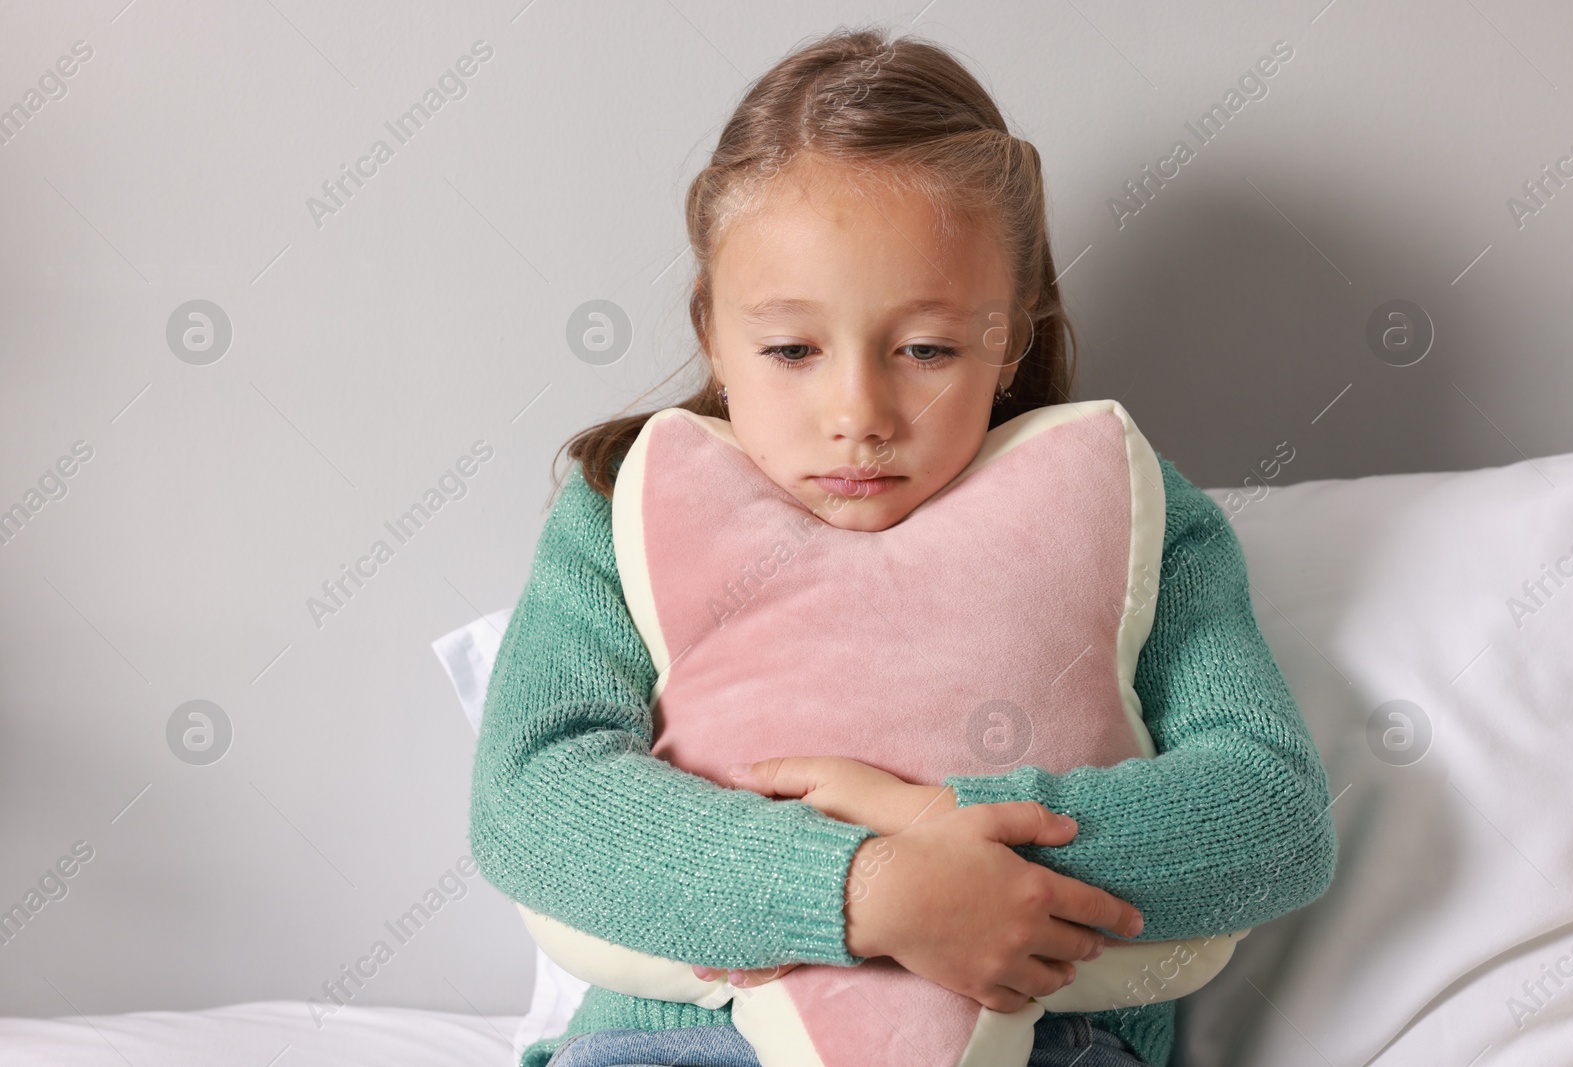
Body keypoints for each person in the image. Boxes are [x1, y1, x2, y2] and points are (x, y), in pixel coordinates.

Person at [469, 25, 1337, 1067]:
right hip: (680, 1045)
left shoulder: (1137, 517)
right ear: (711, 329)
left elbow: (1271, 810)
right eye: (791, 349)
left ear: (1009, 334)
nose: (858, 413)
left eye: (924, 349)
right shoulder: (619, 518)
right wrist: (864, 886)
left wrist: (956, 832)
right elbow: (533, 796)